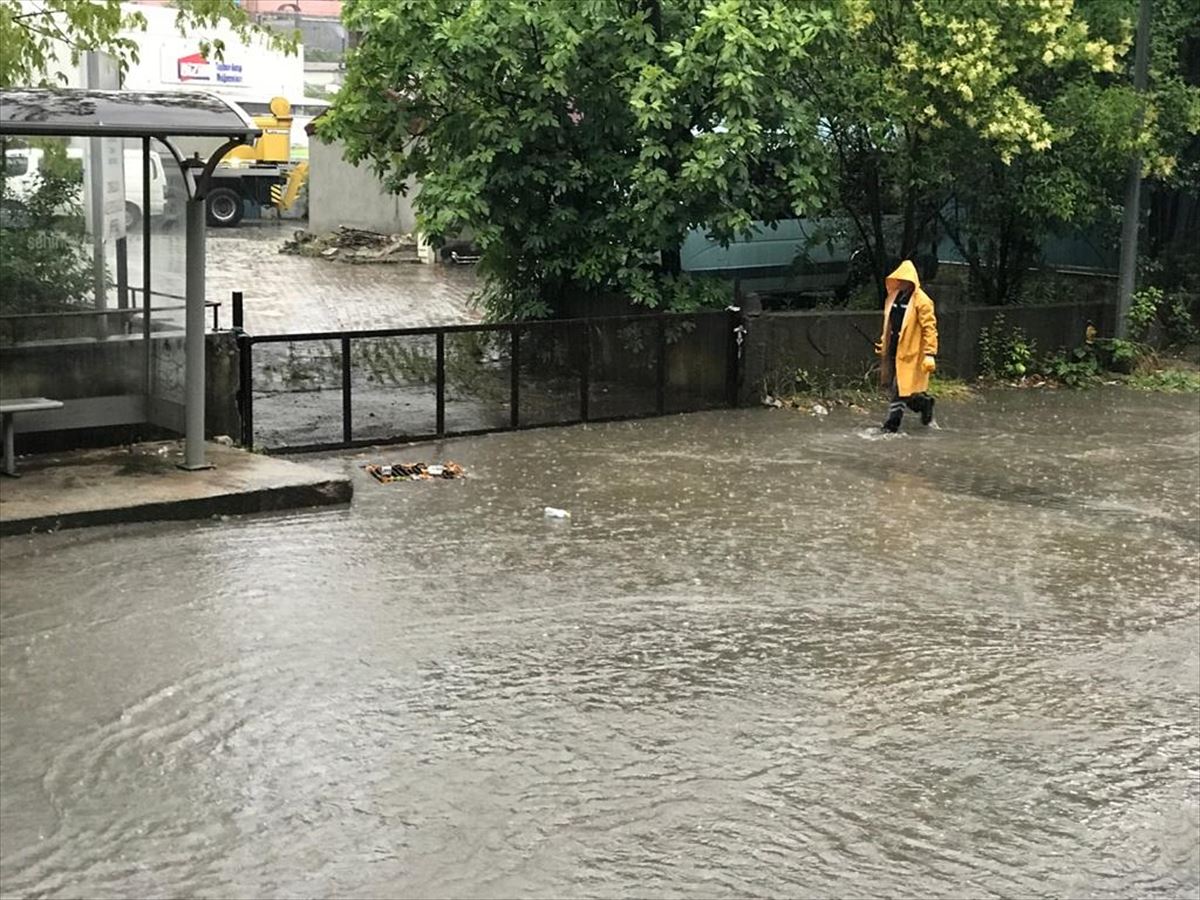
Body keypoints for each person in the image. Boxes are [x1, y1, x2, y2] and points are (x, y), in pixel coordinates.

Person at [874, 259, 939, 432]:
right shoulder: (894, 297)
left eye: (904, 280)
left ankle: (892, 424)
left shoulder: (922, 301)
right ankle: (924, 404)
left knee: (899, 388)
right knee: (903, 389)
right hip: (895, 349)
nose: (900, 283)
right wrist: (883, 342)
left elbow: (929, 328)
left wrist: (930, 353)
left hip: (912, 353)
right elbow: (890, 323)